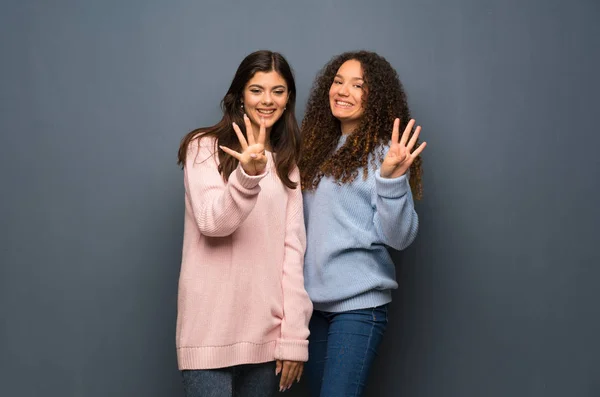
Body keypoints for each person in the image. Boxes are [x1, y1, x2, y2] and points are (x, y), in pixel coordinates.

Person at [176, 50, 312, 397]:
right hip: (207, 337)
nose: (267, 100)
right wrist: (248, 176)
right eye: (257, 89)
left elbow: (292, 256)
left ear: (288, 99)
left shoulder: (287, 167)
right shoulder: (203, 148)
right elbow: (211, 222)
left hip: (267, 343)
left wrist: (294, 338)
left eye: (278, 91)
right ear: (239, 95)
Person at [298, 50, 427, 397]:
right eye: (338, 82)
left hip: (358, 307)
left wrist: (391, 181)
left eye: (358, 85)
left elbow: (399, 238)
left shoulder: (387, 154)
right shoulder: (316, 149)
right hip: (311, 308)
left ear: (376, 96)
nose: (343, 91)